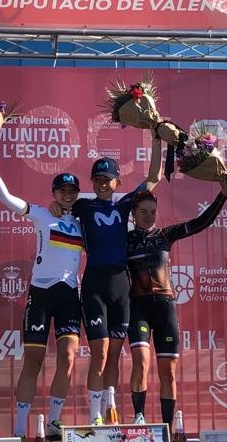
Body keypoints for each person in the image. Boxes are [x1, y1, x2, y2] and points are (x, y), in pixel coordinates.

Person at [58, 138, 162, 423]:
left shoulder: (126, 204)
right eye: (98, 180)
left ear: (118, 182)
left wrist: (156, 136)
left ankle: (109, 407)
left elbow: (154, 177)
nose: (103, 184)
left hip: (120, 286)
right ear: (93, 182)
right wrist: (55, 206)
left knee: (114, 354)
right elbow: (62, 204)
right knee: (100, 353)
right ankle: (95, 417)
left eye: (108, 180)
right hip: (95, 284)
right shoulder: (83, 206)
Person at [0, 166, 84, 442]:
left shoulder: (82, 222)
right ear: (54, 193)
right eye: (62, 191)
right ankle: (20, 432)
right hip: (41, 294)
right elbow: (7, 198)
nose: (67, 195)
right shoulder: (43, 214)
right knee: (33, 361)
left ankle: (54, 423)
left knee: (68, 357)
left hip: (69, 295)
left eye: (72, 191)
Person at [126, 187, 227, 425]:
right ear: (133, 213)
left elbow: (202, 222)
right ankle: (139, 418)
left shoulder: (165, 235)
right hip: (139, 309)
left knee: (169, 373)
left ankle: (167, 428)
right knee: (141, 362)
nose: (149, 216)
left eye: (153, 212)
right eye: (143, 211)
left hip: (165, 309)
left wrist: (223, 194)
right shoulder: (125, 241)